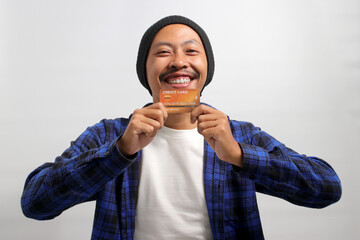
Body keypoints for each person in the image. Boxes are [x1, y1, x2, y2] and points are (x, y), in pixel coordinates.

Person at [21, 15, 342, 240]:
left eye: (191, 51)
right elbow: (35, 203)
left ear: (205, 69)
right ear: (145, 71)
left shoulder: (238, 134)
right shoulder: (110, 134)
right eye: (162, 52)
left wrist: (241, 155)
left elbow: (327, 188)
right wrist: (119, 152)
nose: (178, 61)